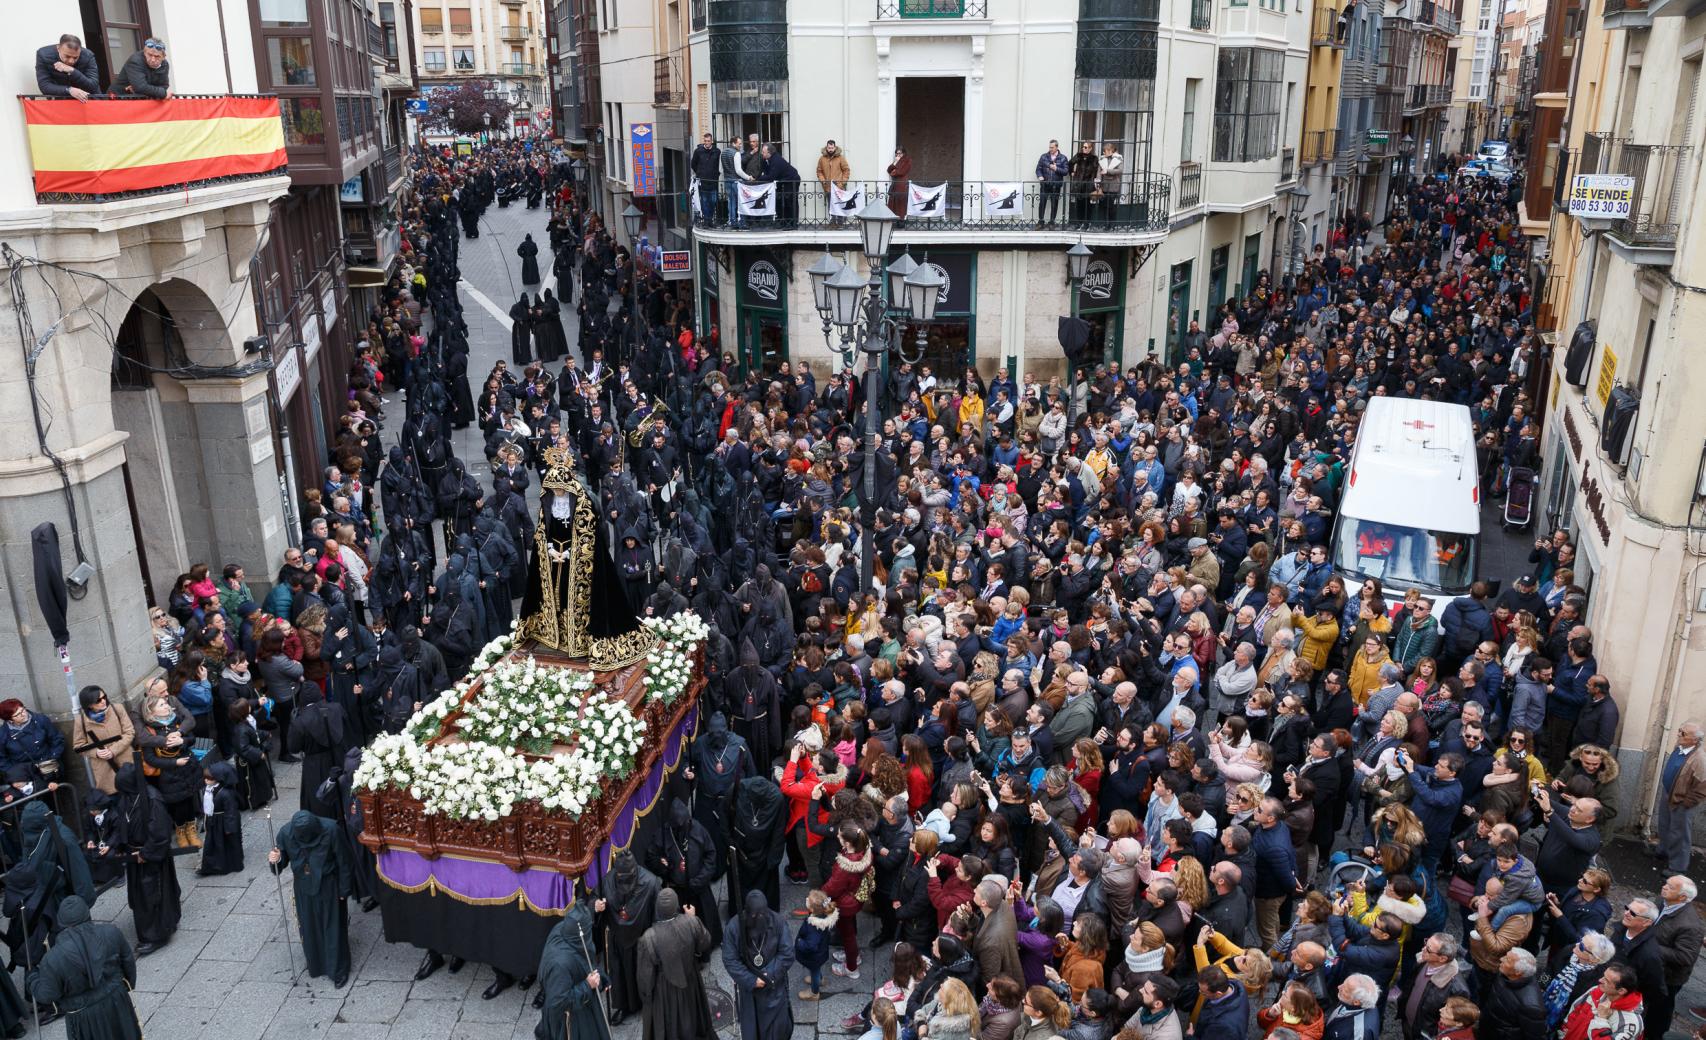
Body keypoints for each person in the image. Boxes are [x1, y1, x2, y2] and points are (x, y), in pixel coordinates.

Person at [26, 896, 140, 1040]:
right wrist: (125, 989)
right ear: (87, 914)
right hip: (116, 1000)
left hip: (84, 1018)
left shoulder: (52, 959)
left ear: (61, 923)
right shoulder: (111, 932)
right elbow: (128, 963)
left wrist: (32, 978)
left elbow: (48, 995)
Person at [269, 809, 353, 988]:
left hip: (329, 885)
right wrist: (275, 859)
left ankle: (338, 969)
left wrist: (344, 890)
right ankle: (317, 964)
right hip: (304, 887)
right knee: (309, 926)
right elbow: (280, 864)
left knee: (333, 927)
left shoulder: (332, 830)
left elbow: (344, 861)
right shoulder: (285, 833)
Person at [110, 763, 181, 955]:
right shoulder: (128, 797)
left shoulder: (152, 799)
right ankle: (163, 924)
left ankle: (156, 935)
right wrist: (119, 845)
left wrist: (146, 854)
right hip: (135, 855)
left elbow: (160, 833)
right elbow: (121, 823)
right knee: (142, 897)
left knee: (153, 895)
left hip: (149, 856)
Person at [635, 888, 715, 1040]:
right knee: (693, 1019)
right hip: (691, 980)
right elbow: (705, 942)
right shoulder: (691, 922)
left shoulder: (648, 938)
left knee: (672, 1026)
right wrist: (692, 917)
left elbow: (645, 977)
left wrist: (647, 998)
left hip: (665, 989)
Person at [532, 896, 610, 1040]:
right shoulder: (560, 965)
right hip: (570, 1019)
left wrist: (601, 976)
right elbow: (558, 1002)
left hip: (581, 1003)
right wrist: (587, 985)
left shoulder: (563, 929)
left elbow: (583, 958)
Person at [721, 890, 795, 1040]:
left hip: (774, 986)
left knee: (777, 1030)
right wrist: (751, 980)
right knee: (752, 1029)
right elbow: (730, 959)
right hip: (750, 990)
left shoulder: (778, 922)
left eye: (762, 914)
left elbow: (787, 953)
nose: (759, 918)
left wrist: (769, 975)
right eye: (755, 915)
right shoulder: (735, 927)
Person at [1650, 720, 1705, 873]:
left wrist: (1686, 802)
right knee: (1664, 825)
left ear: (1694, 739)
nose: (1679, 734)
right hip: (1669, 793)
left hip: (1682, 800)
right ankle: (1663, 851)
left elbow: (1702, 787)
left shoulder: (1700, 759)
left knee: (1680, 834)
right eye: (1680, 730)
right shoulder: (1679, 747)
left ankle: (1678, 868)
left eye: (1683, 733)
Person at [71, 685, 133, 795]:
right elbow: (78, 746)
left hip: (126, 762)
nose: (103, 701)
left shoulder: (117, 709)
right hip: (104, 770)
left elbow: (129, 732)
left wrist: (113, 750)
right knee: (115, 798)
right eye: (98, 700)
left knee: (136, 793)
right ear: (89, 704)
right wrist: (96, 753)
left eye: (104, 697)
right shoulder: (81, 721)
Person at [0, 699, 66, 782]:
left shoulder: (40, 720)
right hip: (25, 774)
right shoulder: (3, 734)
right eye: (17, 715)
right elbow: (2, 759)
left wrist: (53, 757)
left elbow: (56, 739)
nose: (23, 714)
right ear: (10, 720)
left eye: (23, 710)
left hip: (49, 766)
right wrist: (15, 775)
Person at [196, 763, 244, 877]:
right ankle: (212, 864)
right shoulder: (210, 789)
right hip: (214, 821)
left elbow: (231, 812)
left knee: (223, 844)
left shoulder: (226, 793)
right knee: (213, 843)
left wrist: (229, 828)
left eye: (209, 779)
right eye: (205, 778)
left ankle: (222, 865)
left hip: (222, 822)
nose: (206, 780)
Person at [35, 34, 99, 101]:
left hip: (89, 100)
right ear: (58, 48)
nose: (71, 61)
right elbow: (44, 86)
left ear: (80, 51)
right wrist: (69, 90)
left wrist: (72, 71)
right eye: (67, 56)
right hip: (61, 101)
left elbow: (93, 86)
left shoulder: (88, 56)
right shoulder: (43, 55)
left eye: (75, 57)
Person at [1036, 139, 1070, 226]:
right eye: (1049, 147)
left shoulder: (1063, 158)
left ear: (1057, 147)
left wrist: (1056, 168)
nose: (1050, 149)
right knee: (1042, 203)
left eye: (1052, 147)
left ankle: (1052, 222)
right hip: (1045, 184)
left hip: (1056, 185)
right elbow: (1038, 169)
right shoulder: (1044, 157)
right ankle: (1041, 222)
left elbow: (1066, 171)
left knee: (1054, 204)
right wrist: (1040, 176)